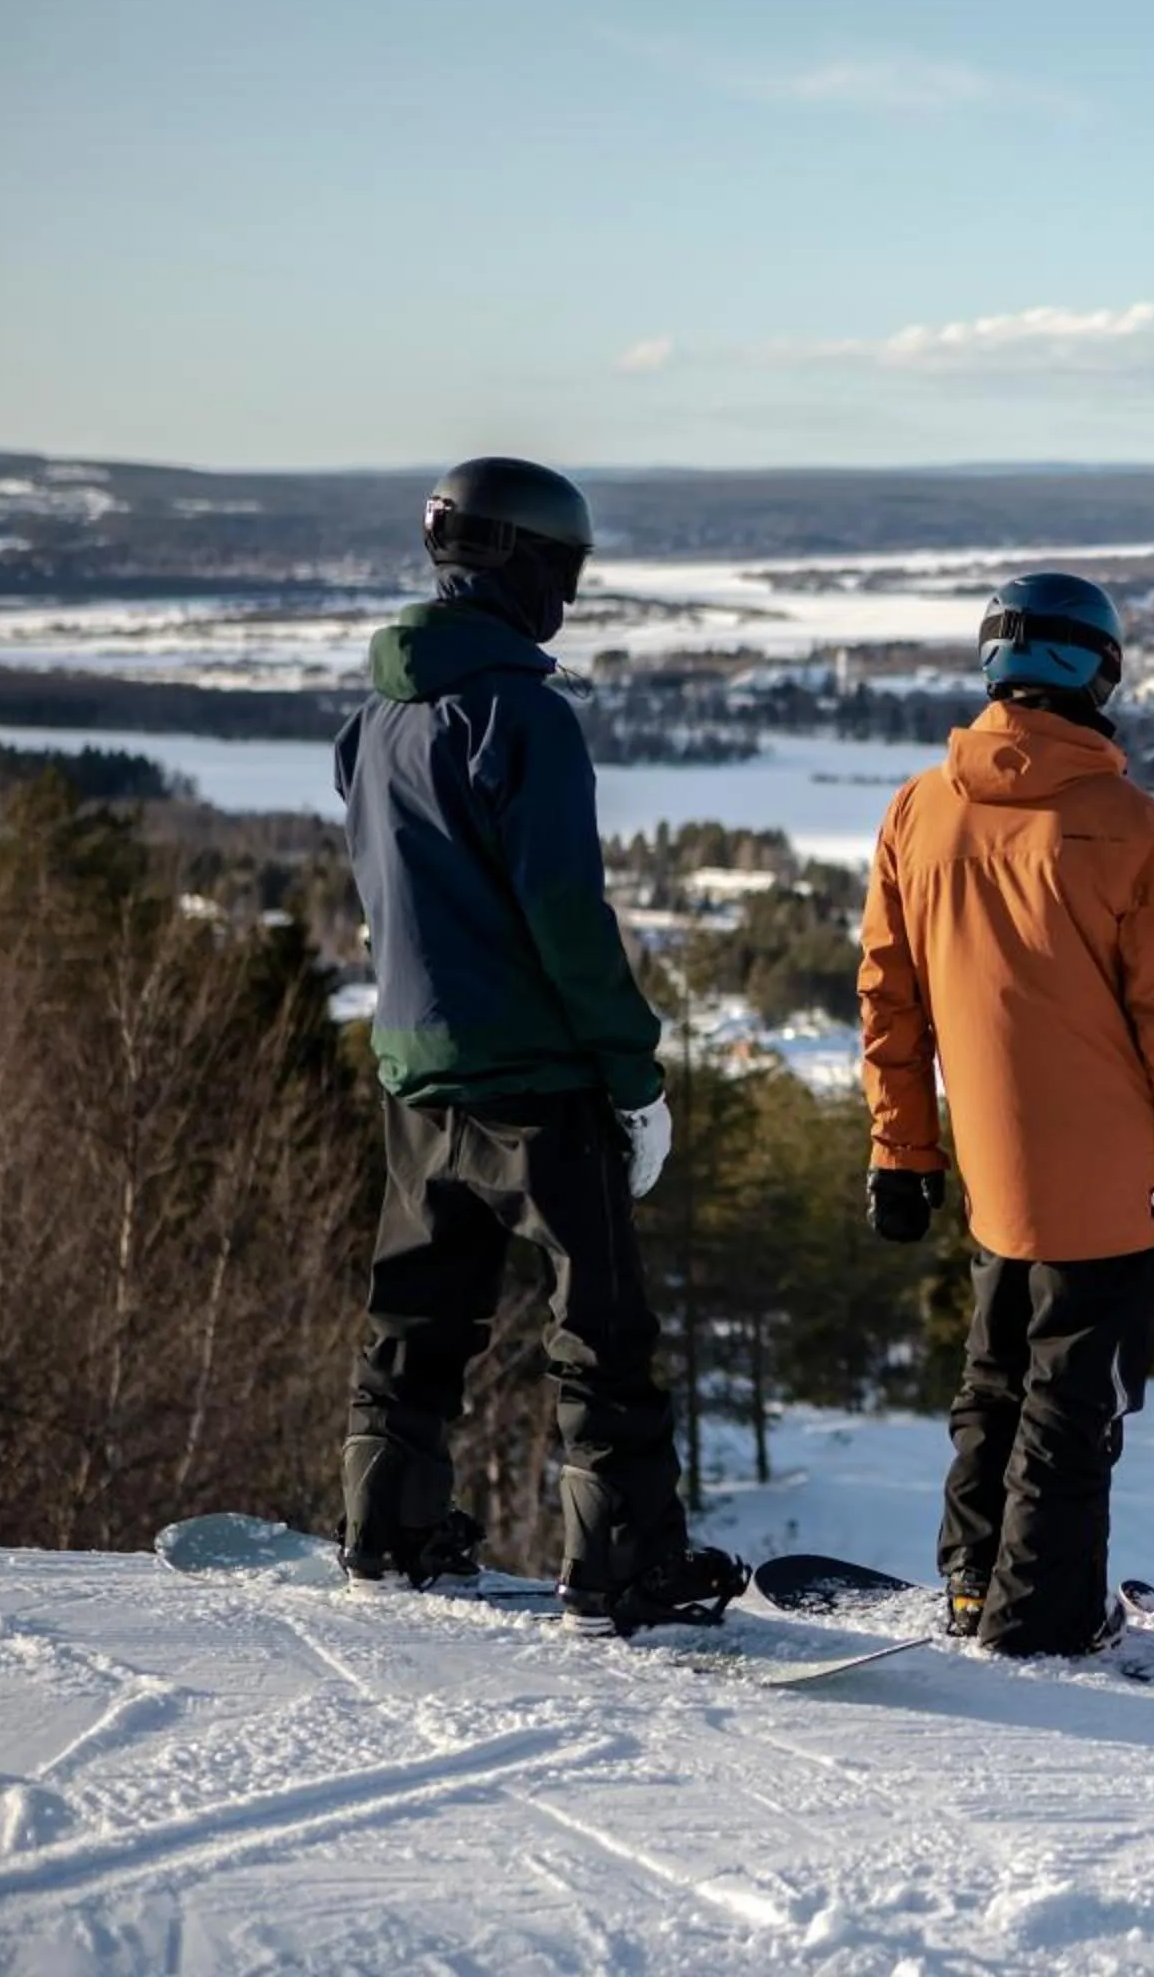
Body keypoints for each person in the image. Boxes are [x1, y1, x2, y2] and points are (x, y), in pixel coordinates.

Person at [334, 455, 745, 1635]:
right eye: (564, 566)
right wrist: (634, 1074)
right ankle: (621, 1566)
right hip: (539, 1085)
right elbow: (568, 916)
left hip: (418, 1072)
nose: (567, 590)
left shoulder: (374, 719)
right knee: (599, 1329)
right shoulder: (525, 716)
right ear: (523, 563)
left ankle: (386, 1527)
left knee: (415, 1314)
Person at [858, 571, 1154, 1656]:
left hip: (993, 1176)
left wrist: (902, 1149)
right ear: (1102, 672)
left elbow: (890, 999)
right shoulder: (1133, 826)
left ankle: (974, 1583)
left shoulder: (918, 810)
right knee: (1075, 1403)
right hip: (1112, 1184)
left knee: (994, 1378)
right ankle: (1043, 1616)